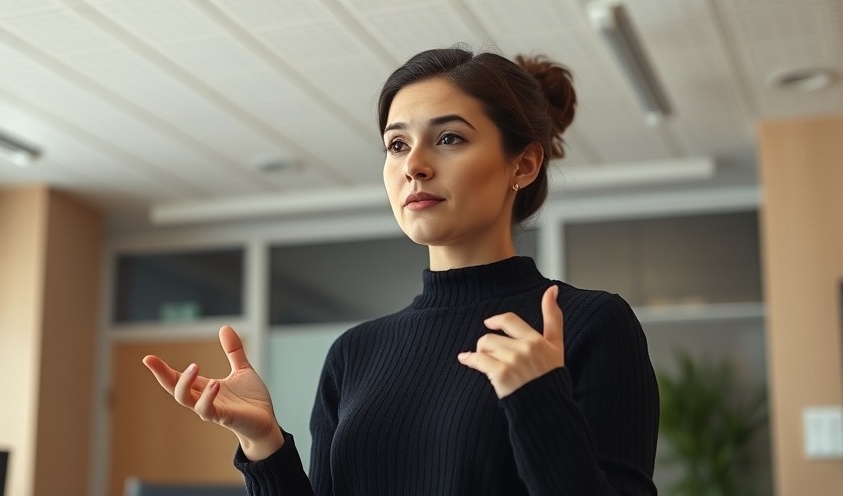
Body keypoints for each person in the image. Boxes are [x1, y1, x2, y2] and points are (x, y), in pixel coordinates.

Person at [143, 47, 659, 495]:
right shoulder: (355, 353)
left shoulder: (587, 324)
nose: (414, 165)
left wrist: (539, 399)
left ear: (522, 165)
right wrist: (263, 443)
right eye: (396, 144)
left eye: (450, 138)